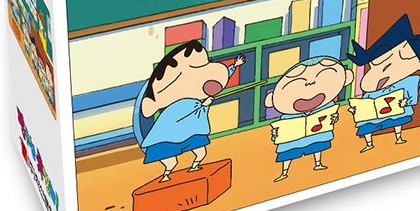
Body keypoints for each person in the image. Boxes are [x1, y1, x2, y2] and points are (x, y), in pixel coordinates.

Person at [138, 40, 244, 182]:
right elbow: (182, 114)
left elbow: (220, 78)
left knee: (201, 153)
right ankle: (166, 175)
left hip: (193, 131)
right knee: (171, 162)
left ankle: (194, 167)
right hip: (168, 137)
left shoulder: (200, 95)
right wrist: (202, 104)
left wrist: (234, 66)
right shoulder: (179, 104)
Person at [347, 14, 420, 152]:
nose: (384, 69)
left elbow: (411, 97)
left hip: (395, 112)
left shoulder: (407, 82)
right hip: (373, 116)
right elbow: (365, 102)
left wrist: (405, 102)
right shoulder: (372, 90)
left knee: (398, 119)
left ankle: (398, 137)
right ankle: (369, 143)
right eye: (376, 64)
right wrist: (356, 110)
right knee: (366, 125)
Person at [265, 57, 352, 183]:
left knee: (317, 147)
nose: (310, 84)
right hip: (292, 141)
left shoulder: (327, 107)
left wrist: (333, 118)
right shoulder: (286, 117)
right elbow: (280, 130)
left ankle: (318, 163)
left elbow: (331, 117)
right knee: (287, 154)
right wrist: (275, 135)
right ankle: (284, 172)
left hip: (316, 135)